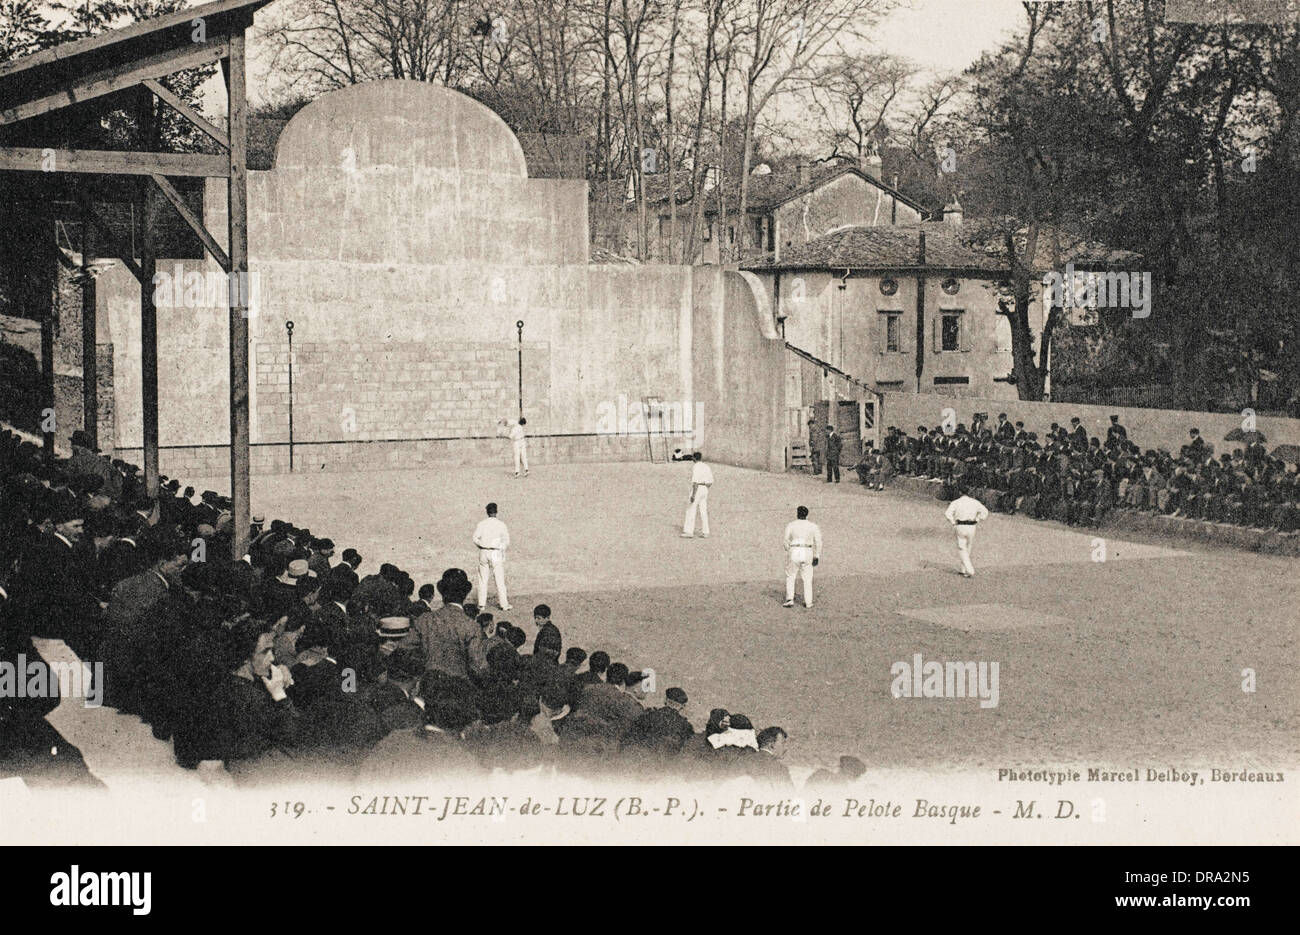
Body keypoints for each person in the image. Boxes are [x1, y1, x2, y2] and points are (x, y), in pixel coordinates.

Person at [472, 502, 512, 611]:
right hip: (496, 552)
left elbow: (475, 538)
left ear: (487, 512)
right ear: (496, 511)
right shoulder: (501, 524)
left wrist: (482, 545)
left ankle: (481, 604)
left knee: (482, 579)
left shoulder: (482, 524)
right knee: (499, 579)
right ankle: (504, 604)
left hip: (484, 551)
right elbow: (507, 541)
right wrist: (500, 547)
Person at [944, 486, 989, 578]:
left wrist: (953, 522)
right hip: (972, 526)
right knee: (968, 546)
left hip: (960, 525)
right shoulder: (975, 502)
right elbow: (985, 512)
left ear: (960, 492)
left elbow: (948, 514)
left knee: (961, 547)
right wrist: (978, 519)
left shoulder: (956, 502)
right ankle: (963, 569)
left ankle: (969, 569)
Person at [782, 506, 822, 609]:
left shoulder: (791, 525)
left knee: (790, 575)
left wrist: (789, 550)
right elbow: (818, 541)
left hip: (794, 549)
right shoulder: (813, 526)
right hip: (807, 550)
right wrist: (816, 555)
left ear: (797, 513)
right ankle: (808, 602)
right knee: (807, 578)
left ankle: (790, 599)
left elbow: (786, 541)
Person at [681, 451, 713, 538]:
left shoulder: (696, 466)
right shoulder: (706, 466)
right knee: (703, 511)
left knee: (691, 509)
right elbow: (710, 482)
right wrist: (704, 488)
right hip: (705, 488)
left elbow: (695, 482)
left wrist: (693, 495)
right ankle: (705, 532)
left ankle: (689, 532)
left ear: (694, 458)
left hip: (698, 489)